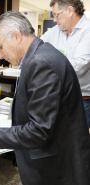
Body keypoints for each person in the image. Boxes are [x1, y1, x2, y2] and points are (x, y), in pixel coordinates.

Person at [0, 11, 90, 185]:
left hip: (55, 167)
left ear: (16, 36)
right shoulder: (38, 56)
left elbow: (39, 130)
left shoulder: (41, 63)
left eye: (0, 47)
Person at [41, 0, 90, 131]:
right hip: (56, 97)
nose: (55, 20)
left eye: (57, 15)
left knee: (76, 143)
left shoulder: (88, 31)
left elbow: (78, 65)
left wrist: (45, 71)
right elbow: (37, 48)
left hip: (81, 100)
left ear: (69, 10)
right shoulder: (55, 31)